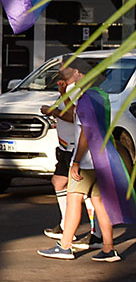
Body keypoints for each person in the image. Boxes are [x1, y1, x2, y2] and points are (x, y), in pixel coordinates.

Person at [38, 61, 121, 262]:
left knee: (74, 199)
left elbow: (86, 132)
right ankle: (109, 249)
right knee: (98, 202)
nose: (64, 74)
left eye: (69, 70)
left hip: (87, 161)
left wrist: (75, 161)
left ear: (78, 73)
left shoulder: (86, 99)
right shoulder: (101, 96)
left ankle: (65, 246)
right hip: (101, 158)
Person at [40, 71, 100, 247]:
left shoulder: (80, 93)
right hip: (66, 147)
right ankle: (66, 227)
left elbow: (73, 116)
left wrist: (53, 111)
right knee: (59, 182)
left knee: (85, 193)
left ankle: (93, 235)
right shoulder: (70, 90)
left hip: (76, 148)